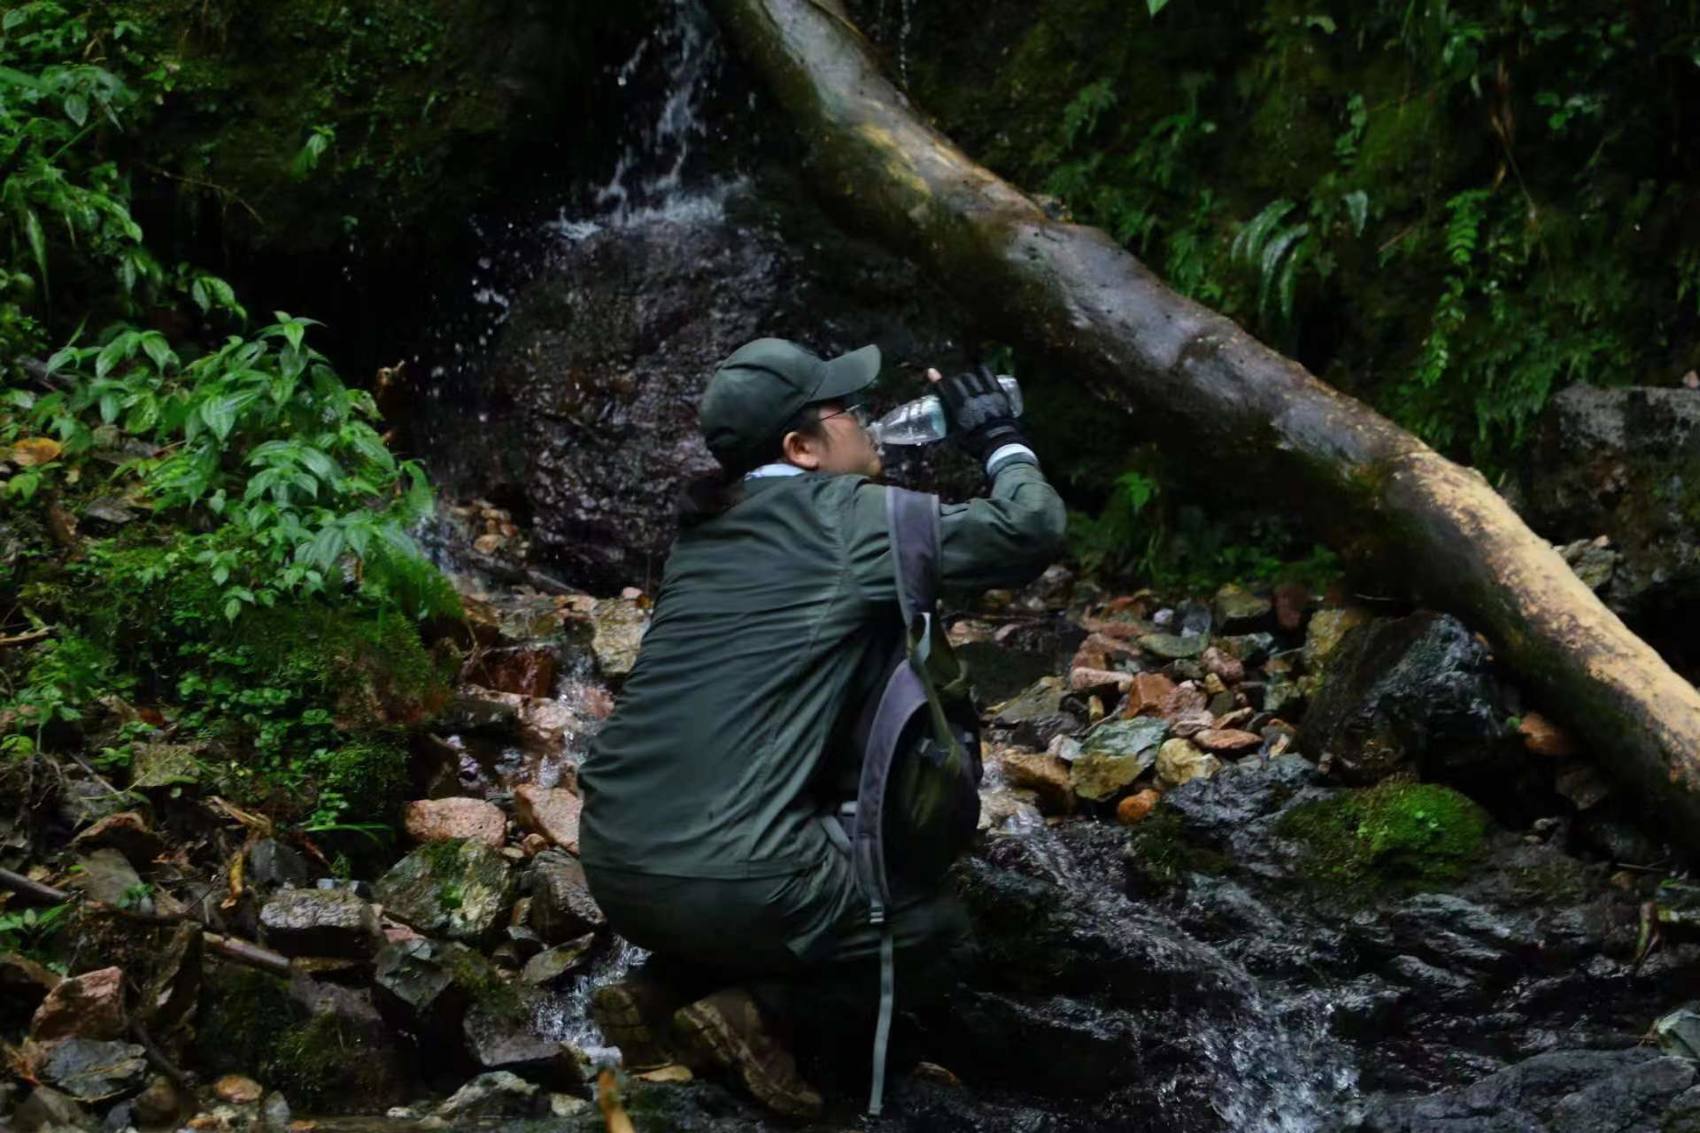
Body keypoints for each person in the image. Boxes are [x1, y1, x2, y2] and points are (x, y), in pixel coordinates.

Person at [577, 337, 1066, 1116]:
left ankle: (662, 988)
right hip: (740, 883)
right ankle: (758, 1015)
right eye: (848, 410)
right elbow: (1030, 527)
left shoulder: (702, 531)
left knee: (753, 851)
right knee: (935, 929)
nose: (867, 422)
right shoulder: (850, 518)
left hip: (612, 866)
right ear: (802, 447)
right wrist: (1002, 440)